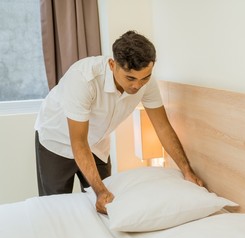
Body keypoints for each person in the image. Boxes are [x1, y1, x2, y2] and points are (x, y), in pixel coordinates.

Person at [34, 30, 204, 214]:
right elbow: (79, 142)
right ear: (112, 64)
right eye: (130, 78)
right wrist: (100, 191)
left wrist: (187, 171)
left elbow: (162, 127)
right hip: (56, 141)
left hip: (97, 144)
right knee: (55, 208)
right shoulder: (84, 79)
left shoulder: (146, 83)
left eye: (144, 77)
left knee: (107, 205)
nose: (137, 86)